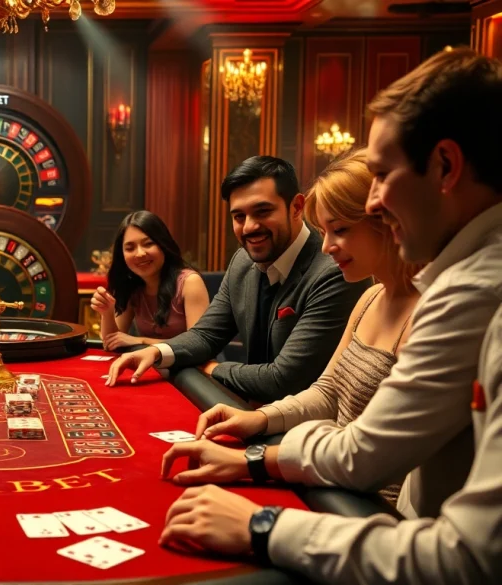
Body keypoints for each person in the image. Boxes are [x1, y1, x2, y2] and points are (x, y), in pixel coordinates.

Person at [158, 48, 502, 583]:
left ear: (446, 166)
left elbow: (472, 556)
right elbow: (329, 395)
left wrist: (265, 525)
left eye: (384, 174)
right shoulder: (425, 287)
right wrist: (257, 446)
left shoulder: (473, 294)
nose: (374, 202)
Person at [190, 147, 420, 503]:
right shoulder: (369, 299)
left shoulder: (426, 317)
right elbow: (327, 391)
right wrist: (260, 419)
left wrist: (251, 460)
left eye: (340, 229)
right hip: (330, 483)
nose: (326, 247)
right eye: (324, 231)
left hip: (372, 507)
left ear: (388, 221)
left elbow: (371, 454)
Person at [107, 156, 369, 402]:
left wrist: (211, 368)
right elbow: (206, 335)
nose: (249, 227)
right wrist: (157, 352)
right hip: (251, 412)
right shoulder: (242, 262)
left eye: (262, 212)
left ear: (296, 207)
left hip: (306, 431)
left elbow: (283, 379)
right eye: (239, 216)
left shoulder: (334, 270)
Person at [90, 211, 210, 351]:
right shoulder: (132, 286)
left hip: (191, 369)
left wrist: (140, 341)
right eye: (130, 248)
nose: (140, 253)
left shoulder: (190, 282)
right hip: (152, 368)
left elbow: (198, 346)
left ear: (163, 245)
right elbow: (111, 343)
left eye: (148, 244)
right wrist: (107, 313)